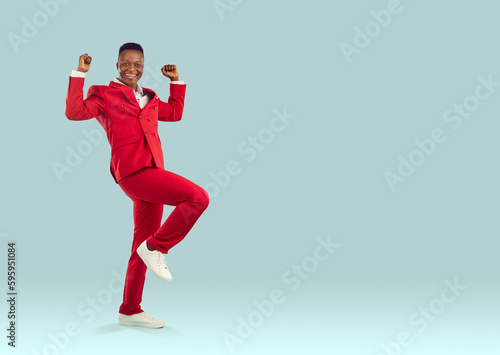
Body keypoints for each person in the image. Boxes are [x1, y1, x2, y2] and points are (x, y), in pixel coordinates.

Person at [65, 42, 209, 328]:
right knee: (197, 198)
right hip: (133, 172)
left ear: (144, 67)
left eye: (138, 64)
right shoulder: (104, 94)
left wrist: (176, 82)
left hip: (153, 172)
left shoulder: (150, 99)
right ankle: (157, 247)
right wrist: (79, 74)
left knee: (138, 246)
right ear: (117, 65)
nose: (132, 69)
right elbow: (75, 112)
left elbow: (175, 113)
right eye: (126, 63)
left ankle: (129, 310)